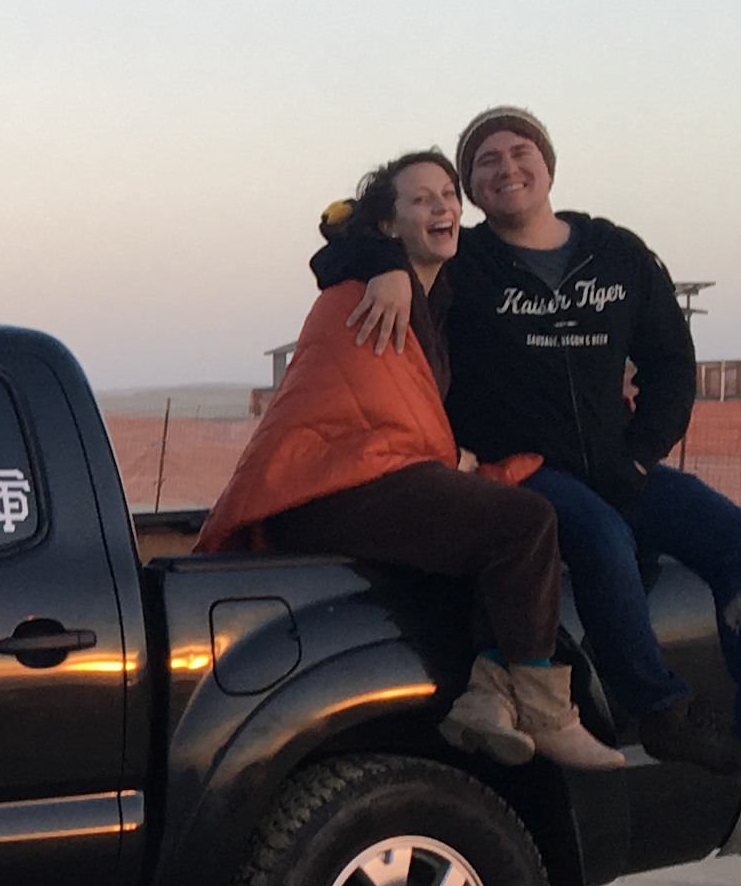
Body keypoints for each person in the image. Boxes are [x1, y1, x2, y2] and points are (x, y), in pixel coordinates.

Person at [318, 106, 741, 796]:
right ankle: (663, 710)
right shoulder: (466, 263)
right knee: (602, 536)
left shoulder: (616, 253)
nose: (506, 168)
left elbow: (673, 361)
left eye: (519, 151)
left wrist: (644, 452)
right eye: (485, 162)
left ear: (547, 164)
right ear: (473, 189)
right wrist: (387, 268)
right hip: (525, 471)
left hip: (623, 464)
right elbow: (343, 240)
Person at [200, 151, 617, 771]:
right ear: (388, 226)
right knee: (522, 522)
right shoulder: (362, 293)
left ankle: (489, 699)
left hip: (364, 473)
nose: (444, 206)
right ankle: (545, 709)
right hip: (321, 486)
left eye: (449, 194)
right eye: (423, 199)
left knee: (504, 523)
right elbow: (370, 402)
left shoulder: (436, 297)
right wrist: (382, 265)